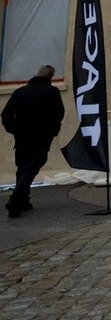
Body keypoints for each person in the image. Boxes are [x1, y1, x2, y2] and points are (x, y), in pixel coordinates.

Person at [3, 65, 64, 219]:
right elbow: (59, 113)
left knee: (22, 168)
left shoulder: (20, 92)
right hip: (41, 137)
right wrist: (53, 130)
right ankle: (16, 200)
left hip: (22, 137)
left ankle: (23, 200)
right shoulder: (52, 92)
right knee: (31, 169)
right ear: (50, 77)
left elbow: (6, 115)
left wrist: (14, 129)